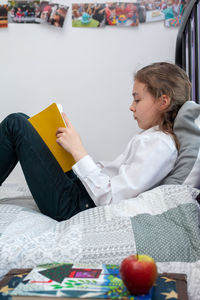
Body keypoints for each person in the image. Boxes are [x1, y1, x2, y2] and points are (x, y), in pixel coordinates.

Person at [0, 62, 191, 221]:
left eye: (137, 100)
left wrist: (79, 151)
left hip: (75, 206)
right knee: (24, 121)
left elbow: (110, 198)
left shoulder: (160, 146)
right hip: (80, 191)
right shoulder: (151, 137)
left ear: (163, 102)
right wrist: (72, 155)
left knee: (15, 124)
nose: (131, 107)